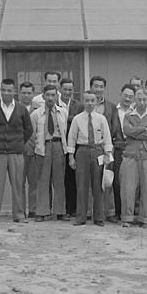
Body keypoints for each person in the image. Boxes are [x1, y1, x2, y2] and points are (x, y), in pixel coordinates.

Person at [0, 78, 33, 224]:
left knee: (18, 184)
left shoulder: (22, 110)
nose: (6, 93)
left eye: (9, 90)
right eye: (3, 90)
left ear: (14, 91)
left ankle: (19, 215)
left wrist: (18, 143)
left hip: (16, 153)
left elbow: (28, 129)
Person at [67, 90, 113, 227]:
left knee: (98, 185)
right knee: (81, 185)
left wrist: (107, 154)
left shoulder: (101, 119)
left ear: (96, 102)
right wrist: (71, 157)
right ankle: (81, 217)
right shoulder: (77, 119)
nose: (90, 103)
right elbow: (72, 138)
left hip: (98, 151)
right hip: (82, 151)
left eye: (92, 101)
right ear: (83, 101)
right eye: (87, 100)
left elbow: (107, 138)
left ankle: (99, 217)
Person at [120, 87, 147, 228]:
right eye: (139, 99)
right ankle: (127, 218)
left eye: (145, 99)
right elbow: (126, 130)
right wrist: (144, 129)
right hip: (130, 156)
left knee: (146, 188)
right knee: (128, 188)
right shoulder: (128, 115)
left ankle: (145, 219)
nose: (142, 102)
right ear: (135, 100)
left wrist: (135, 132)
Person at [30, 84, 69, 222]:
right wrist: (40, 145)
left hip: (59, 146)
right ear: (43, 96)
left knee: (59, 181)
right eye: (48, 95)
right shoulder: (36, 114)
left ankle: (60, 211)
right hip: (43, 147)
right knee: (42, 180)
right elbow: (33, 134)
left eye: (53, 95)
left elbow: (65, 131)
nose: (50, 98)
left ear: (57, 96)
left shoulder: (63, 112)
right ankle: (42, 211)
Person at [92, 76, 122, 223]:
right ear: (91, 87)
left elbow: (115, 127)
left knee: (107, 180)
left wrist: (111, 147)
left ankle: (109, 212)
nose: (98, 89)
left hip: (107, 148)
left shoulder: (111, 106)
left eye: (101, 86)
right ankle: (92, 212)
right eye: (95, 86)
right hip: (91, 148)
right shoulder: (85, 105)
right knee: (91, 182)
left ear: (104, 88)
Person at [60, 77, 83, 219]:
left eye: (70, 89)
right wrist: (70, 118)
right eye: (65, 89)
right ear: (60, 89)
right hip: (58, 145)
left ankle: (72, 208)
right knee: (59, 180)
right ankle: (59, 209)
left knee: (72, 179)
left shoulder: (78, 105)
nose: (68, 92)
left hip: (74, 146)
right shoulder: (54, 103)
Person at [113, 83, 136, 221]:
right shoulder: (113, 110)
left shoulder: (136, 111)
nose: (127, 99)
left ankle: (132, 212)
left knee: (132, 183)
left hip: (133, 149)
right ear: (120, 94)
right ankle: (118, 211)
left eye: (130, 96)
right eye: (125, 95)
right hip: (118, 149)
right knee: (117, 182)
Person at [18, 81, 39, 218]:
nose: (26, 95)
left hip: (34, 150)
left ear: (33, 94)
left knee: (34, 182)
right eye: (24, 93)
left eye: (29, 93)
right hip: (18, 151)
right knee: (19, 182)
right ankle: (20, 210)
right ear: (19, 93)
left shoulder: (39, 109)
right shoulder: (14, 108)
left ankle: (33, 209)